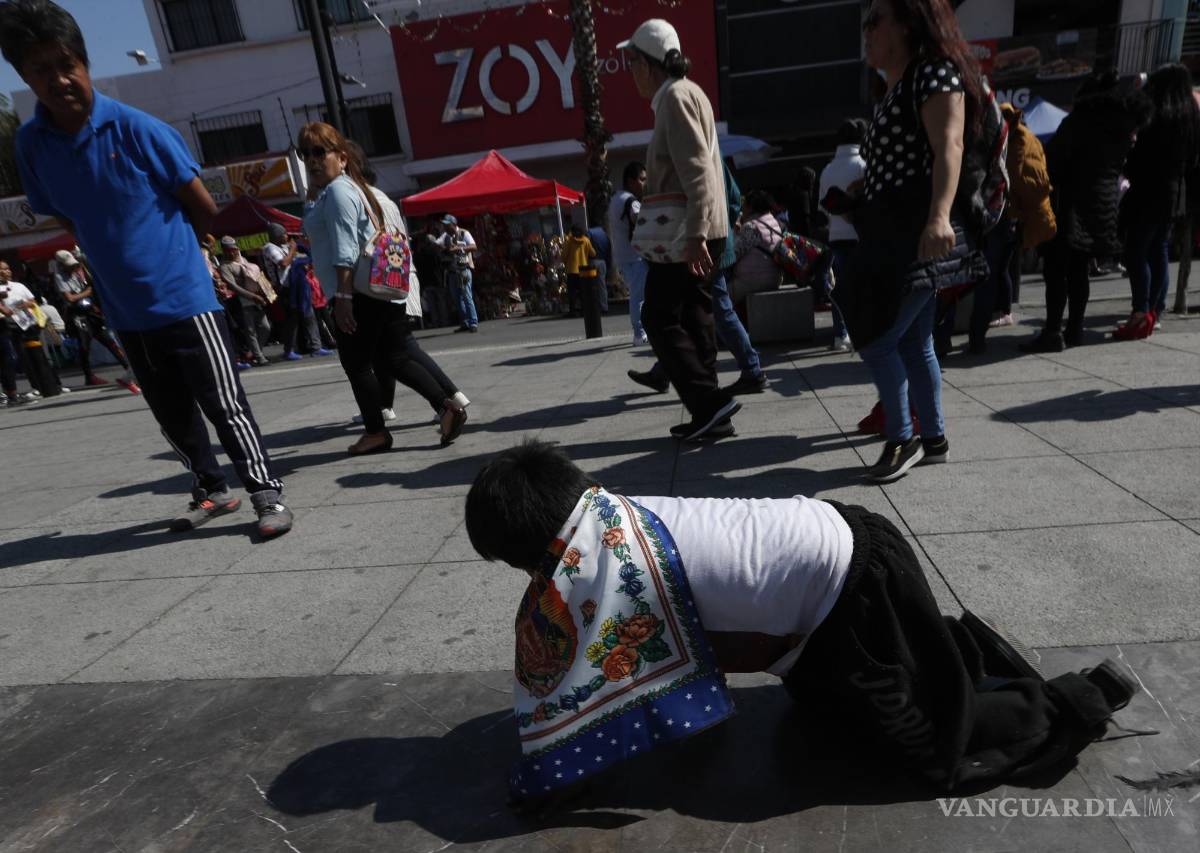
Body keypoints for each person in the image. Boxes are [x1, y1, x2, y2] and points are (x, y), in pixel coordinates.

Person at [466, 440, 1140, 813]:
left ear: (537, 546)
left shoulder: (606, 570)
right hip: (835, 557)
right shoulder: (610, 517)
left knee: (931, 755)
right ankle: (950, 649)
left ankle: (1074, 698)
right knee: (831, 717)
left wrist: (557, 775)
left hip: (852, 587)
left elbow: (601, 690)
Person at [3, 0, 291, 537]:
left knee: (224, 403)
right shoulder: (32, 145)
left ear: (85, 63)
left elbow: (202, 205)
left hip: (185, 299)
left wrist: (173, 256)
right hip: (124, 308)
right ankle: (211, 488)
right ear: (23, 75)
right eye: (40, 70)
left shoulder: (137, 130)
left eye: (67, 64)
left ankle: (265, 491)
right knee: (170, 411)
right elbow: (62, 210)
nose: (58, 79)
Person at [836, 0, 989, 482]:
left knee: (878, 337)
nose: (866, 31)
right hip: (897, 229)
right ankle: (935, 438)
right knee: (915, 341)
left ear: (905, 24)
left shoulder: (934, 73)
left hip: (919, 234)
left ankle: (902, 439)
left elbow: (951, 145)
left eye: (874, 20)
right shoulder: (897, 86)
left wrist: (940, 217)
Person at [299, 121, 469, 456]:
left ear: (342, 157)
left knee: (357, 363)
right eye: (306, 154)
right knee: (395, 356)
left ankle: (376, 432)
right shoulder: (348, 190)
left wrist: (344, 298)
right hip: (380, 288)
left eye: (320, 151)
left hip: (358, 292)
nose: (312, 160)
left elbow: (345, 248)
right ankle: (446, 406)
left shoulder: (338, 191)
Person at [619, 18, 739, 441]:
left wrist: (695, 235)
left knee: (658, 316)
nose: (629, 69)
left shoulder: (674, 97)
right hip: (699, 226)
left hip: (688, 230)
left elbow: (699, 172)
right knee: (694, 315)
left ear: (651, 64)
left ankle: (709, 403)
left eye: (631, 61)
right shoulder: (688, 93)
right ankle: (711, 414)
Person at [1021, 72, 1151, 352]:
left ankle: (1053, 330)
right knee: (1080, 269)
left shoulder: (1079, 123)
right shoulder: (1122, 126)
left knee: (1056, 270)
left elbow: (1053, 161)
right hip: (1101, 206)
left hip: (1070, 203)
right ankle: (1075, 328)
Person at [629, 158, 768, 397]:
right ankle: (663, 373)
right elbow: (733, 199)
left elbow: (728, 199)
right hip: (706, 247)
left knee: (717, 313)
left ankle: (751, 370)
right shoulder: (708, 155)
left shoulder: (705, 155)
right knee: (691, 313)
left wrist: (715, 232)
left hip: (707, 249)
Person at [1115, 63, 1200, 340]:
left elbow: (1139, 155)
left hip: (1149, 189)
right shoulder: (1188, 115)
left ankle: (1141, 311)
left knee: (1136, 250)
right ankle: (1155, 309)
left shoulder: (1159, 114)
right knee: (1158, 247)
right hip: (1175, 191)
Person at [984, 103, 1057, 332]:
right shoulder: (1025, 136)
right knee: (1004, 264)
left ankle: (1005, 310)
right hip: (1023, 209)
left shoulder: (1018, 139)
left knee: (1000, 265)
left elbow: (1013, 173)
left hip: (1017, 210)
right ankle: (1005, 308)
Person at [52, 249, 140, 392]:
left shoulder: (78, 273)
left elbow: (89, 286)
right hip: (77, 315)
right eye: (69, 265)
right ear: (61, 265)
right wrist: (87, 292)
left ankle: (130, 372)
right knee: (84, 347)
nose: (72, 267)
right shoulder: (59, 277)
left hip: (91, 312)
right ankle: (89, 376)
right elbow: (70, 298)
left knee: (110, 342)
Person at [819, 119, 867, 352]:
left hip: (835, 236)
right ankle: (864, 332)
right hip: (860, 235)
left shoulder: (827, 170)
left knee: (837, 289)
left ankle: (841, 335)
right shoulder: (862, 165)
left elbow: (822, 207)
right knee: (863, 288)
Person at [0, 259, 60, 398]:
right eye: (2, 269)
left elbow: (32, 301)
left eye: (7, 268)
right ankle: (36, 386)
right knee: (24, 357)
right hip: (11, 327)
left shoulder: (19, 286)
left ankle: (53, 384)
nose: (6, 271)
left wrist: (22, 305)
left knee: (41, 355)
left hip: (30, 324)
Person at [608, 161, 649, 344]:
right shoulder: (631, 202)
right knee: (639, 296)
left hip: (623, 255)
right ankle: (639, 333)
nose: (644, 183)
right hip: (636, 255)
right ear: (631, 181)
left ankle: (640, 331)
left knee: (637, 294)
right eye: (642, 179)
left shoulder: (615, 198)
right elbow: (645, 223)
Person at [218, 237, 272, 366]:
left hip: (258, 300)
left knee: (266, 327)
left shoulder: (243, 260)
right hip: (243, 302)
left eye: (234, 249)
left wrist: (266, 292)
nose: (233, 253)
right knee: (250, 331)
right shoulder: (225, 266)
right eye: (229, 250)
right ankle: (259, 357)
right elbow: (233, 287)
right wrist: (252, 296)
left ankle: (254, 352)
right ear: (224, 251)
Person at [438, 215, 479, 333]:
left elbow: (473, 246)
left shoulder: (463, 233)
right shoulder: (445, 236)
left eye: (447, 225)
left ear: (454, 224)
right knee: (457, 298)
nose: (445, 227)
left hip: (463, 269)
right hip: (452, 271)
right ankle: (465, 322)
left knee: (467, 296)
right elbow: (437, 243)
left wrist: (460, 249)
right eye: (444, 225)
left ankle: (473, 322)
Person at [561, 224, 597, 316]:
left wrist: (565, 262)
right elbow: (593, 253)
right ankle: (584, 310)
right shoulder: (586, 240)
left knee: (572, 292)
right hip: (583, 270)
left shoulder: (569, 241)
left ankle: (572, 311)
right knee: (583, 292)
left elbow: (564, 255)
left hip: (571, 270)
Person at [587, 224, 611, 314]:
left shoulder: (589, 233)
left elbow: (587, 246)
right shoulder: (605, 236)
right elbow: (609, 251)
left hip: (592, 261)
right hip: (602, 261)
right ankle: (604, 306)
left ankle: (594, 306)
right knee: (602, 285)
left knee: (591, 285)